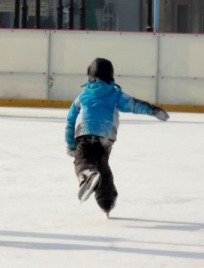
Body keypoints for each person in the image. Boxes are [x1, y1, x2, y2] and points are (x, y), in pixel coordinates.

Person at [65, 57, 169, 215]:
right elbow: (134, 104)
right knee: (102, 166)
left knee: (83, 159)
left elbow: (70, 119)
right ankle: (107, 200)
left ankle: (86, 173)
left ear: (90, 76)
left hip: (85, 131)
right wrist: (153, 110)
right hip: (107, 134)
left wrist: (70, 143)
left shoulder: (83, 95)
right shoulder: (116, 94)